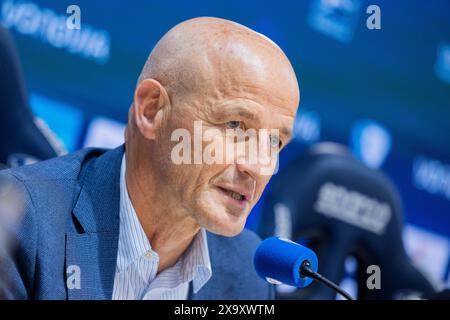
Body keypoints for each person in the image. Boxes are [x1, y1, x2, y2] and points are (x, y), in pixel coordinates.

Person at [0, 17, 300, 299]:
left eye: (274, 141)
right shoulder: (20, 225)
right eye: (235, 125)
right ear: (152, 110)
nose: (258, 166)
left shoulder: (249, 274)